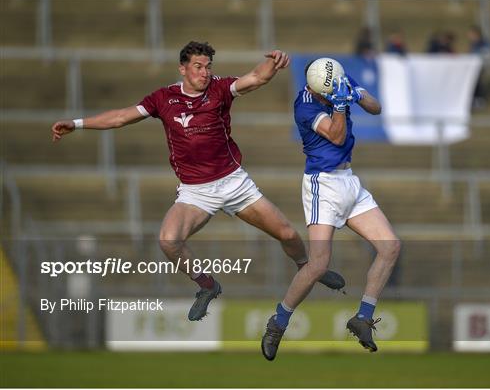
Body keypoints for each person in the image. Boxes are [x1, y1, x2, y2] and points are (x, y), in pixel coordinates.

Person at [51, 41, 345, 322]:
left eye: (207, 66)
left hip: (233, 183)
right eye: (198, 66)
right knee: (168, 240)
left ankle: (308, 268)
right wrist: (76, 124)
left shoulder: (219, 88)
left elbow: (256, 78)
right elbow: (119, 117)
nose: (204, 72)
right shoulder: (162, 98)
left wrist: (274, 61)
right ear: (183, 69)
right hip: (196, 192)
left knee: (288, 235)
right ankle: (207, 285)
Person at [261, 65, 400, 361]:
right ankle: (278, 322)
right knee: (319, 265)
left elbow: (376, 107)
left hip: (349, 181)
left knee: (390, 247)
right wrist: (339, 104)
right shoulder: (304, 106)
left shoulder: (338, 78)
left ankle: (362, 317)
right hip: (322, 184)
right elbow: (336, 137)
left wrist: (355, 95)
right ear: (313, 89)